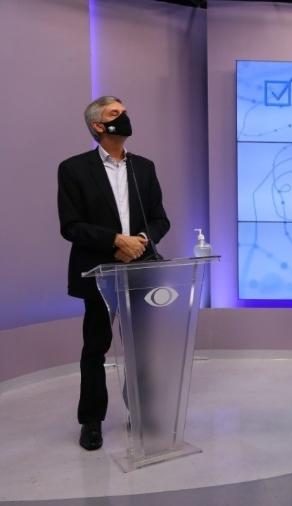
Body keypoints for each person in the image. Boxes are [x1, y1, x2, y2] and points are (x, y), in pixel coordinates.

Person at [57, 96, 170, 450]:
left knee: (142, 347)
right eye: (115, 114)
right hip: (98, 272)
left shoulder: (145, 168)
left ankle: (142, 410)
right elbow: (71, 226)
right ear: (98, 127)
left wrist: (139, 240)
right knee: (96, 348)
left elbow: (160, 219)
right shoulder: (73, 169)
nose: (124, 117)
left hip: (140, 270)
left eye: (124, 111)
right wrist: (115, 241)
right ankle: (91, 421)